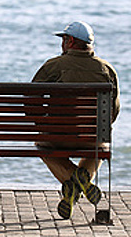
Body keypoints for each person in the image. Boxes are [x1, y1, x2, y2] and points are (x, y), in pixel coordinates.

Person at [32, 21, 120, 219]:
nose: (61, 44)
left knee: (39, 143)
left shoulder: (53, 66)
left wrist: (42, 124)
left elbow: (31, 100)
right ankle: (84, 179)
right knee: (101, 144)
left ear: (70, 41)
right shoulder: (107, 70)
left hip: (57, 136)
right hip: (91, 137)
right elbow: (113, 110)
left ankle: (73, 182)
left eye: (63, 39)